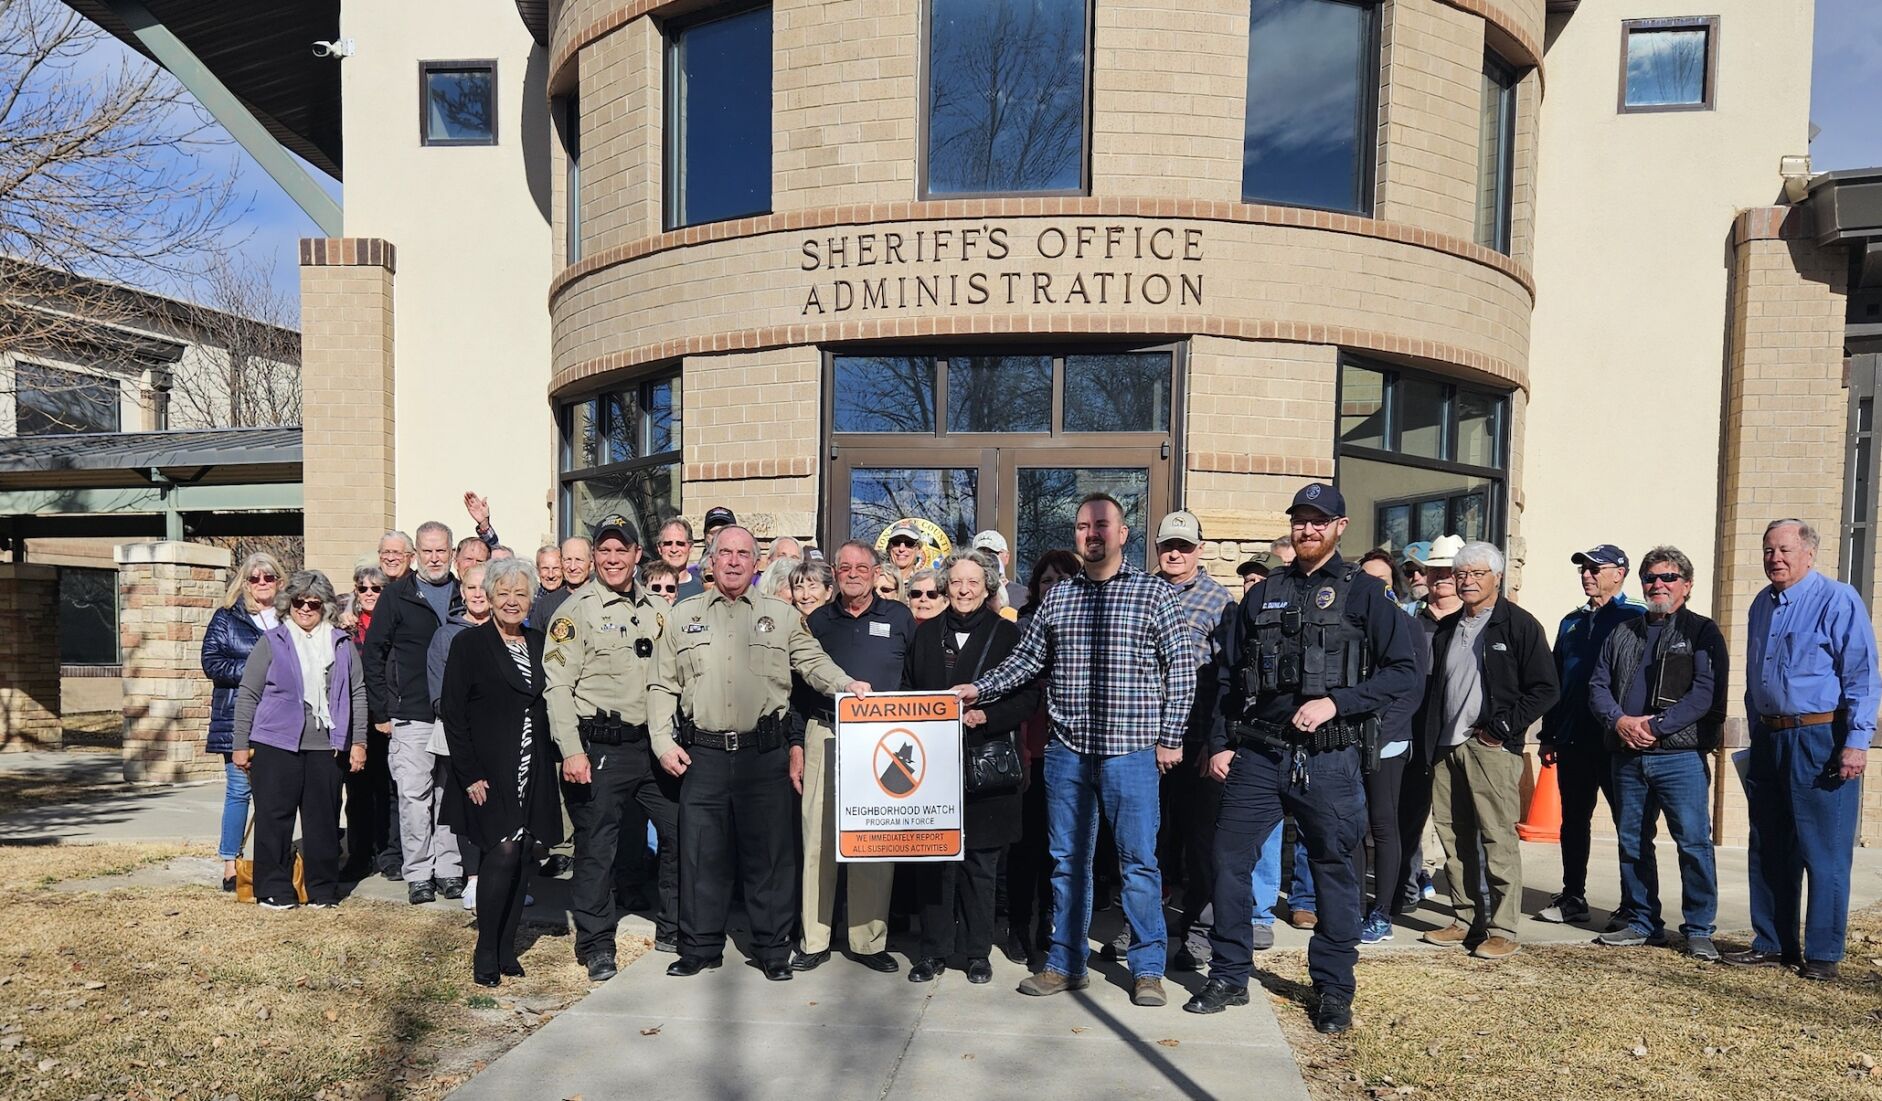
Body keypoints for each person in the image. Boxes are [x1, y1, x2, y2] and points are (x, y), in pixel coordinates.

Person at [1185, 483, 1418, 1035]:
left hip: (1330, 757)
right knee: (1227, 860)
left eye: (1320, 521)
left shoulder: (1365, 594)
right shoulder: (1262, 595)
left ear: (1340, 527)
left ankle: (1334, 989)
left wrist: (1338, 701)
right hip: (1260, 753)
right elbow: (1227, 676)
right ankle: (1229, 974)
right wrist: (1220, 743)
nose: (1308, 530)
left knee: (1334, 870)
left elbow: (1404, 671)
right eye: (1300, 521)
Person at [960, 493, 1195, 1008]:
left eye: (1102, 525)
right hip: (1067, 750)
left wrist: (1172, 736)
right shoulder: (1061, 597)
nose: (1093, 534)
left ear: (1123, 534)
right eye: (1084, 526)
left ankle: (1148, 968)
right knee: (1067, 862)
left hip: (1130, 752)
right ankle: (1066, 963)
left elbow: (1181, 673)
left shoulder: (1155, 595)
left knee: (1139, 862)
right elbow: (1025, 661)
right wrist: (978, 689)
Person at [651, 526, 871, 981]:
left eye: (744, 554)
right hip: (703, 754)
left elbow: (813, 662)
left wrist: (847, 685)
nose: (733, 561)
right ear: (709, 561)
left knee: (770, 857)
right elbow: (660, 683)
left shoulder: (782, 617)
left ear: (758, 563)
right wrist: (662, 740)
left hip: (763, 753)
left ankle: (772, 949)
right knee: (700, 855)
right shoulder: (681, 616)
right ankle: (700, 946)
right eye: (725, 553)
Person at [1728, 519, 1878, 979]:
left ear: (1809, 554)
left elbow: (1862, 676)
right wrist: (1757, 730)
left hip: (1820, 737)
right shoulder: (1761, 605)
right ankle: (1772, 942)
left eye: (1786, 550)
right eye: (1769, 550)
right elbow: (1758, 677)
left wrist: (1856, 742)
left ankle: (1823, 954)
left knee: (1824, 849)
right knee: (1769, 843)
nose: (1776, 558)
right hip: (1770, 737)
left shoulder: (1837, 599)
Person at [545, 517, 678, 980]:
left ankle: (674, 925)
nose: (613, 558)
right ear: (595, 557)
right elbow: (557, 688)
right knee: (597, 848)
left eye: (622, 550)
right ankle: (596, 943)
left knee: (680, 828)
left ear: (638, 555)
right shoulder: (574, 612)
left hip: (653, 745)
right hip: (599, 745)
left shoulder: (656, 610)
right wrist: (570, 751)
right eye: (604, 551)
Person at [1419, 541, 1559, 961]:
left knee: (1497, 839)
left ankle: (1503, 927)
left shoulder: (1518, 625)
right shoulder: (1447, 629)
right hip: (1447, 746)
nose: (1467, 581)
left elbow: (1546, 689)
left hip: (1490, 749)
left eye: (1477, 574)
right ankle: (1466, 919)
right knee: (1453, 836)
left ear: (1497, 578)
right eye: (1461, 574)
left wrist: (1501, 728)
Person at [1585, 545, 1726, 960]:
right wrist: (1620, 721)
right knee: (1632, 842)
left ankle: (1699, 929)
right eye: (1651, 578)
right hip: (1627, 755)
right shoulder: (1623, 631)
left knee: (1694, 844)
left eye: (1668, 577)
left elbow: (1704, 694)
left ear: (1687, 585)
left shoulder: (1701, 631)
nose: (1658, 585)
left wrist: (1656, 727)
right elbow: (1597, 685)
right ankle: (1643, 921)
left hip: (1678, 757)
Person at [904, 550, 1037, 984]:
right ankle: (933, 950)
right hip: (933, 764)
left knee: (981, 861)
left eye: (973, 583)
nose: (964, 590)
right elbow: (907, 690)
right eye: (956, 582)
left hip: (987, 762)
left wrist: (987, 716)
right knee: (933, 860)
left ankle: (977, 952)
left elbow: (1029, 697)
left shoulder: (1007, 635)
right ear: (946, 586)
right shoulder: (925, 635)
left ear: (987, 588)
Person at [439, 557, 564, 986]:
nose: (512, 601)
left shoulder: (538, 640)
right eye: (504, 593)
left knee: (526, 851)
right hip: (487, 771)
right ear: (489, 597)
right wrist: (469, 773)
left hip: (534, 765)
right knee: (502, 850)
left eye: (521, 593)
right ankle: (486, 951)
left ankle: (509, 947)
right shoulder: (469, 645)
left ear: (532, 599)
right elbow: (453, 713)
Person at [790, 541, 913, 975]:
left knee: (874, 841)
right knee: (817, 840)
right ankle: (814, 938)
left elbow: (914, 679)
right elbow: (799, 690)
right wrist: (796, 745)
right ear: (835, 574)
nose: (854, 573)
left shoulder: (900, 617)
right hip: (824, 732)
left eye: (862, 566)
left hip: (881, 741)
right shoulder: (817, 621)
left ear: (876, 571)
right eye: (845, 567)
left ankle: (867, 940)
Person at [230, 571, 368, 910]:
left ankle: (322, 889)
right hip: (275, 743)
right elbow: (248, 693)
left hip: (327, 745)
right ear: (287, 604)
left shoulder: (341, 644)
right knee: (274, 818)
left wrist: (359, 741)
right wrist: (239, 744)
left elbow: (358, 693)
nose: (305, 609)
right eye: (298, 602)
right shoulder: (273, 640)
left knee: (323, 821)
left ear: (326, 607)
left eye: (314, 603)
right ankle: (273, 888)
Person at [1536, 544, 1646, 927]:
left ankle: (1634, 904)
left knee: (1627, 824)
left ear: (1620, 572)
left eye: (1596, 568)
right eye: (1583, 568)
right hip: (1572, 738)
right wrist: (1549, 733)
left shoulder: (1636, 617)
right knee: (1574, 820)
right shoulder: (1571, 622)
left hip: (1617, 740)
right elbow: (1555, 681)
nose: (1587, 575)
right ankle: (1572, 895)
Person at [363, 520, 466, 904]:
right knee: (413, 796)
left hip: (456, 715)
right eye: (427, 551)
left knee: (449, 794)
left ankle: (450, 869)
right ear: (416, 555)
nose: (435, 558)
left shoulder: (464, 593)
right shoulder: (396, 596)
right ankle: (420, 872)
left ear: (452, 553)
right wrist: (382, 709)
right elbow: (374, 654)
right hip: (412, 714)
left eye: (442, 550)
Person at [1151, 511, 1235, 971]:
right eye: (1168, 546)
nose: (1176, 554)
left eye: (1184, 546)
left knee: (1200, 845)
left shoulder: (1220, 602)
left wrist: (1214, 740)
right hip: (1144, 739)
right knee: (1145, 840)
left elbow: (1228, 679)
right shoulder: (1142, 592)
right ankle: (1141, 925)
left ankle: (1199, 934)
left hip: (1196, 740)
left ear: (1200, 549)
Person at [1003, 549, 1080, 970]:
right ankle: (1018, 924)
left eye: (1063, 579)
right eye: (1047, 580)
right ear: (1035, 587)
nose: (1054, 587)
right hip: (1029, 745)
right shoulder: (1022, 626)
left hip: (1070, 748)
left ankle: (1051, 924)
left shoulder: (1086, 621)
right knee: (1026, 845)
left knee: (1063, 847)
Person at [1353, 548, 1430, 943]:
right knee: (1348, 826)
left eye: (1382, 581)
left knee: (1383, 827)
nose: (1374, 587)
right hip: (1346, 741)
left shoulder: (1407, 625)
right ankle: (1349, 907)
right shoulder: (1348, 623)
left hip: (1387, 743)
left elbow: (1411, 690)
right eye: (1367, 579)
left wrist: (1379, 733)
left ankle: (1381, 911)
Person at [203, 552, 283, 891]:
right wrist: (256, 673)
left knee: (277, 794)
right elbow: (212, 663)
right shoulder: (227, 617)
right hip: (239, 717)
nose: (262, 583)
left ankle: (269, 860)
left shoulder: (291, 616)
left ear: (279, 581)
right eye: (255, 578)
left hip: (281, 718)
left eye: (269, 577)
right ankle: (230, 864)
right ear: (244, 582)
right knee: (239, 791)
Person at [1397, 535, 1465, 910]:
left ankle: (1466, 902)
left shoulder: (1473, 622)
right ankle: (1406, 888)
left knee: (1459, 824)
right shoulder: (1409, 617)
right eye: (1434, 569)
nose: (1440, 577)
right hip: (1411, 731)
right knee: (1409, 818)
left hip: (1457, 733)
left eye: (1448, 570)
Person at [972, 530, 1029, 610]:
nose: (987, 557)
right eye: (981, 553)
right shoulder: (967, 594)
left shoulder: (1025, 595)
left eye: (994, 552)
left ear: (1007, 557)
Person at [656, 518, 705, 600]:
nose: (674, 550)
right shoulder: (647, 588)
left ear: (691, 547)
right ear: (659, 548)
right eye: (668, 543)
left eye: (680, 544)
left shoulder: (702, 589)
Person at [531, 545, 569, 625]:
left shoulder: (572, 598)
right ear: (537, 571)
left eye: (556, 568)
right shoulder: (529, 601)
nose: (551, 575)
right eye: (545, 568)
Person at [884, 520, 927, 585]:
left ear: (918, 550)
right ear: (889, 548)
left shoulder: (925, 586)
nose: (901, 549)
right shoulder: (876, 580)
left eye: (909, 543)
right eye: (896, 542)